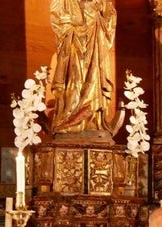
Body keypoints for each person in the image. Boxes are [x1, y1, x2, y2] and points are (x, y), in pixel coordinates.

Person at [49, 0, 117, 135]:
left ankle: (93, 122)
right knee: (73, 83)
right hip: (73, 41)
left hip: (94, 41)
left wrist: (102, 7)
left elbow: (110, 15)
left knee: (93, 80)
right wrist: (70, 23)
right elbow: (56, 15)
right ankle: (68, 120)